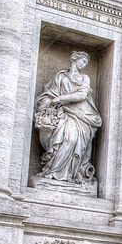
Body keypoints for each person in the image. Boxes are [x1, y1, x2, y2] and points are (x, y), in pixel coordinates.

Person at [34, 51, 103, 184]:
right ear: (74, 60)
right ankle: (53, 170)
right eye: (83, 61)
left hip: (81, 114)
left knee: (71, 139)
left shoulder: (85, 78)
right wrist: (48, 101)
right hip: (62, 112)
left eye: (87, 63)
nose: (85, 64)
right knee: (59, 138)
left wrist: (59, 99)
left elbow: (82, 96)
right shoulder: (60, 76)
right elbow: (50, 93)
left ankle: (66, 173)